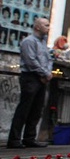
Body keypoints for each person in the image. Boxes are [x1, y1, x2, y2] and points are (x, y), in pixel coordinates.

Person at [7, 16, 53, 148]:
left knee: (36, 109)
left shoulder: (43, 42)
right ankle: (14, 139)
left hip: (42, 78)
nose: (48, 28)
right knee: (24, 108)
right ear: (37, 27)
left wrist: (48, 73)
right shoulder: (29, 41)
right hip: (30, 77)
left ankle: (29, 137)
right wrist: (44, 73)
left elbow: (48, 59)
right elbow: (31, 61)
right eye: (46, 25)